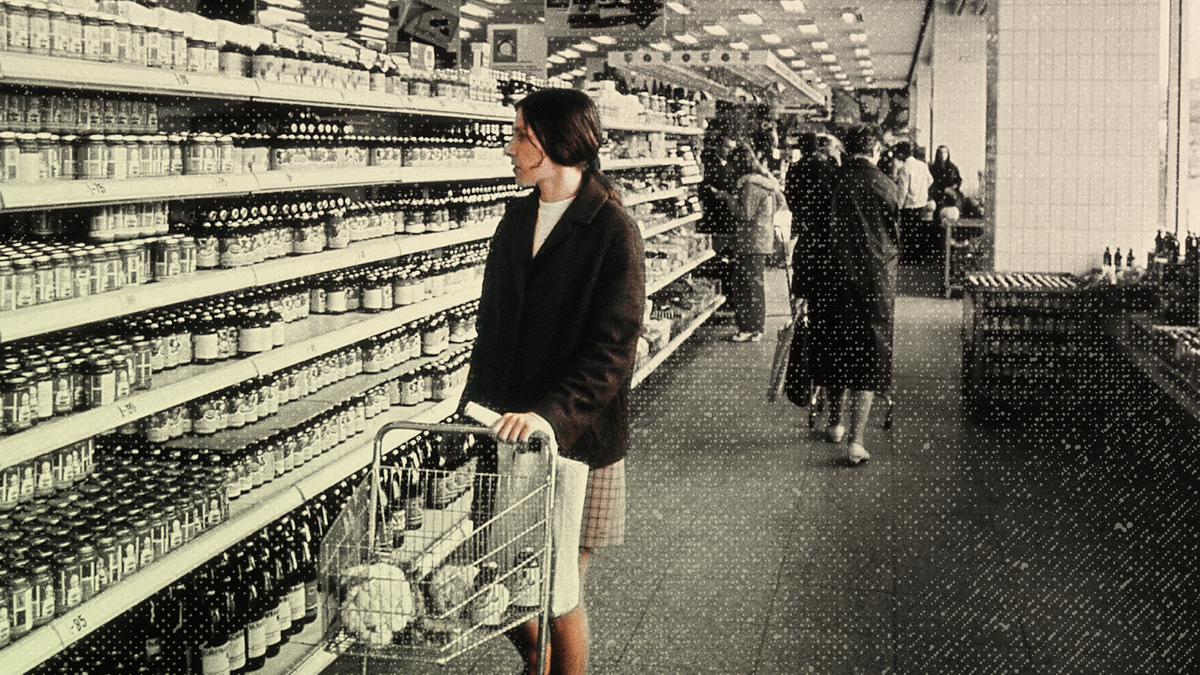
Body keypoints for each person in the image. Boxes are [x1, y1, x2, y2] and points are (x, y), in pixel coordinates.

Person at [463, 88, 645, 675]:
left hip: (577, 439)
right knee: (506, 585)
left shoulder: (613, 228)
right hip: (509, 433)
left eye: (522, 138)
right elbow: (493, 326)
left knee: (558, 591)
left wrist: (551, 414)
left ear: (559, 147)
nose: (510, 149)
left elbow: (613, 350)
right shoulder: (515, 221)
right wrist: (471, 410)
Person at [806, 124, 901, 465]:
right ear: (875, 149)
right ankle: (857, 442)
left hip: (831, 282)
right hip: (873, 285)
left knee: (835, 350)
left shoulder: (828, 181)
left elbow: (811, 237)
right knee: (867, 358)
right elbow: (893, 239)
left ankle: (834, 423)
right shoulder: (886, 185)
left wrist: (805, 285)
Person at [715, 132, 787, 342]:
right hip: (760, 239)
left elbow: (744, 214)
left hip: (750, 241)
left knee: (746, 285)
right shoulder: (764, 182)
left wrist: (727, 198)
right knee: (755, 284)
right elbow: (777, 203)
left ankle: (749, 328)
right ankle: (756, 327)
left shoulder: (749, 185)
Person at [893, 140, 934, 263]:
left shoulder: (904, 168)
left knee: (908, 232)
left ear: (901, 154)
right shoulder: (922, 165)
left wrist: (898, 206)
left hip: (909, 205)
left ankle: (909, 257)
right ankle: (919, 257)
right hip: (921, 203)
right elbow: (930, 180)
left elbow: (903, 190)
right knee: (918, 230)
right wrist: (922, 190)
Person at [930, 144, 964, 210]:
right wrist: (943, 189)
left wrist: (953, 187)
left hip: (951, 194)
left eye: (945, 152)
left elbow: (958, 180)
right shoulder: (933, 168)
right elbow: (933, 182)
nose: (943, 154)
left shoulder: (953, 168)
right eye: (941, 152)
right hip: (938, 194)